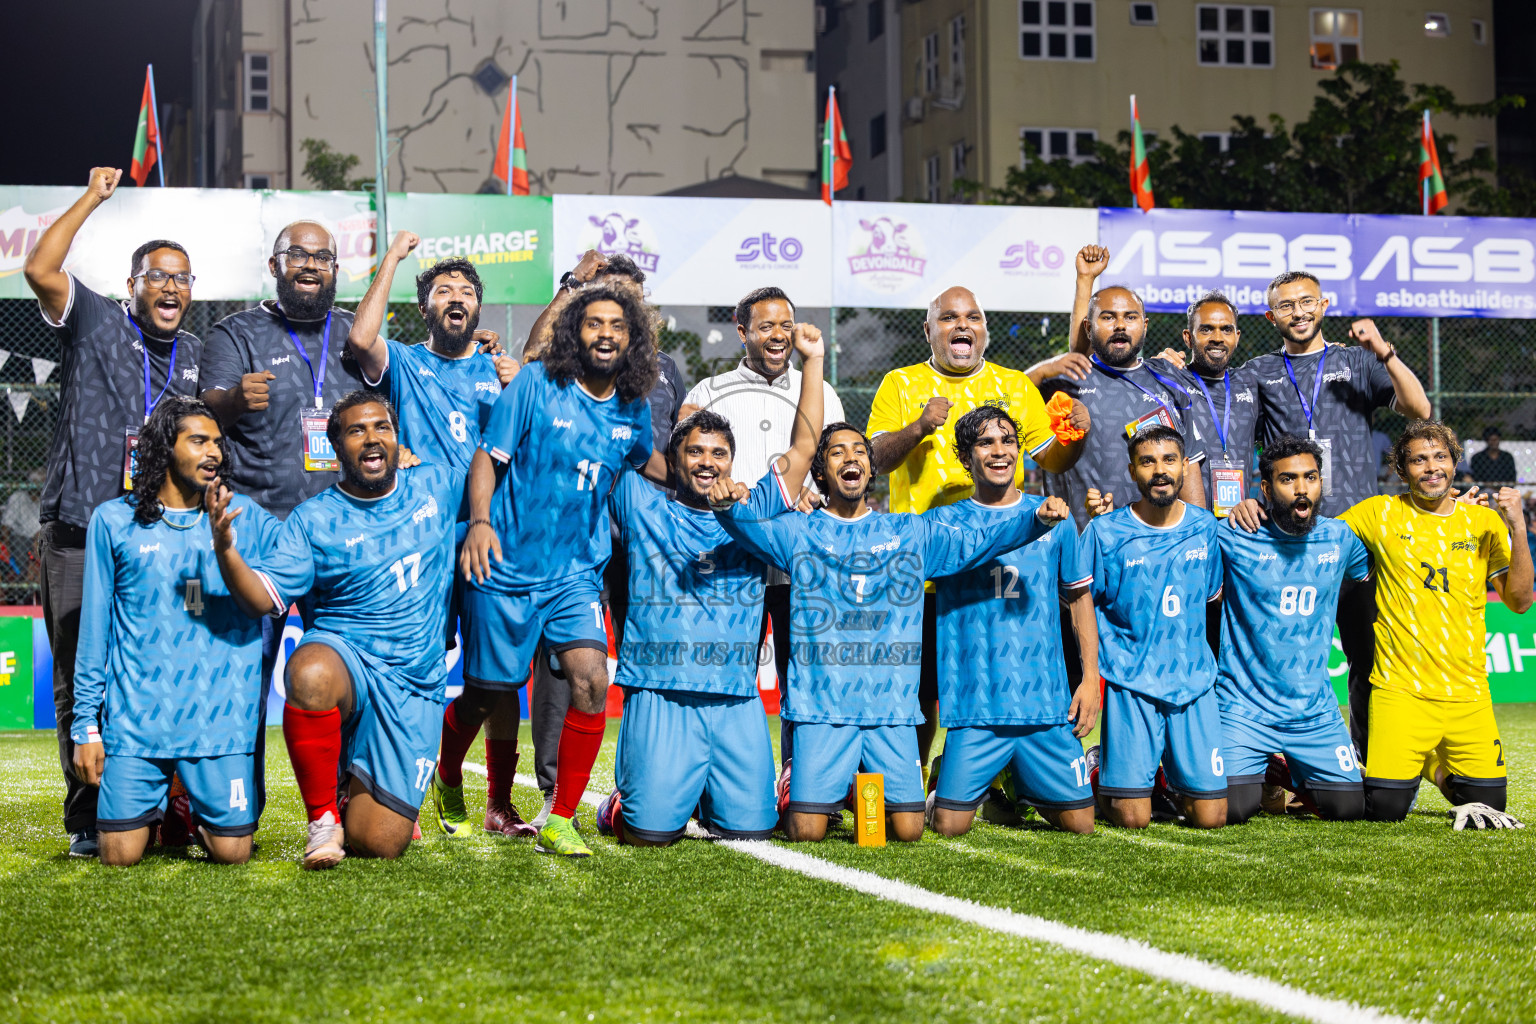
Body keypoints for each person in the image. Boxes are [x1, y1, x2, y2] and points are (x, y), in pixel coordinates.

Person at [710, 422, 1069, 844]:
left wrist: (1034, 524)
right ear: (822, 473)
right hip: (823, 708)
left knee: (908, 831)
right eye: (838, 453)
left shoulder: (907, 533)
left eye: (860, 452)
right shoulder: (799, 531)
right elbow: (750, 529)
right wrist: (727, 508)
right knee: (806, 832)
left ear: (870, 468)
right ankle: (805, 780)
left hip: (891, 711)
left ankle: (859, 786)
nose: (851, 459)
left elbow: (978, 541)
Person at [23, 166, 205, 858]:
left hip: (157, 539)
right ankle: (87, 820)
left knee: (165, 667)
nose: (170, 287)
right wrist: (94, 198)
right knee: (79, 677)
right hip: (76, 531)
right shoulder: (97, 319)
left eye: (182, 278)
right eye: (156, 275)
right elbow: (41, 267)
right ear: (132, 287)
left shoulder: (191, 353)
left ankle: (164, 811)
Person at [209, 392, 465, 867]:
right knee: (308, 673)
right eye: (356, 430)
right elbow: (261, 600)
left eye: (381, 428)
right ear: (335, 449)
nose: (371, 438)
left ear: (396, 438)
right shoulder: (313, 519)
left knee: (380, 844)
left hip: (414, 684)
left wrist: (485, 520)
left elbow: (500, 475)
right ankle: (323, 818)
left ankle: (354, 786)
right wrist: (226, 551)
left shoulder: (437, 484)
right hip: (348, 657)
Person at [1235, 421, 1532, 827]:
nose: (1431, 468)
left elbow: (1519, 601)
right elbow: (1315, 531)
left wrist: (1516, 525)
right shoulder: (1379, 513)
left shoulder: (1484, 523)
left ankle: (1430, 766)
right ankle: (1410, 762)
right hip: (1400, 693)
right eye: (1418, 460)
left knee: (1491, 808)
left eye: (1440, 457)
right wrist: (1254, 506)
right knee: (1383, 811)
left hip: (1469, 694)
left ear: (1454, 462)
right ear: (1401, 469)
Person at [595, 325, 826, 846]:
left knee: (752, 832)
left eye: (719, 453)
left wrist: (811, 360)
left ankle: (705, 790)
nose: (707, 462)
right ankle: (625, 802)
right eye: (695, 452)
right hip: (660, 694)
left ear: (733, 461)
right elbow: (608, 439)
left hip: (734, 699)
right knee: (647, 835)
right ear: (673, 461)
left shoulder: (753, 509)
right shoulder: (641, 503)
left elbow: (805, 446)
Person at [459, 283, 665, 858]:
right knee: (485, 692)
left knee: (591, 680)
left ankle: (560, 817)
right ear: (576, 331)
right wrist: (480, 523)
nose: (606, 334)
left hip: (576, 572)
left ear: (633, 338)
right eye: (595, 323)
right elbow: (486, 458)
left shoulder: (633, 404)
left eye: (618, 326)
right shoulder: (534, 385)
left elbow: (647, 460)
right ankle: (451, 773)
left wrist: (707, 475)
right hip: (506, 565)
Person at [344, 231, 527, 836]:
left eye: (467, 291)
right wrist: (393, 260)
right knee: (415, 666)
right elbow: (359, 340)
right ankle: (400, 794)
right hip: (417, 543)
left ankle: (498, 802)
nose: (457, 297)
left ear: (478, 309)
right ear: (424, 307)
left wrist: (516, 388)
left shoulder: (502, 372)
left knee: (497, 674)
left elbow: (526, 450)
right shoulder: (406, 361)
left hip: (487, 539)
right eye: (443, 290)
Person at [866, 285, 1090, 770]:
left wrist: (1076, 434)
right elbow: (875, 462)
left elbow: (1052, 457)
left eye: (972, 317)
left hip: (1005, 558)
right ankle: (912, 780)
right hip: (926, 570)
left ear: (985, 331)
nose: (961, 325)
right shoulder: (900, 384)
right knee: (921, 691)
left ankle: (998, 778)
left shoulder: (1014, 385)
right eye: (948, 317)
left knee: (1002, 676)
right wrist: (919, 427)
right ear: (928, 331)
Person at [70, 397, 278, 866]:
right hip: (137, 725)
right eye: (199, 441)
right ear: (165, 447)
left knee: (233, 854)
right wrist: (86, 725)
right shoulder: (113, 520)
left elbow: (304, 543)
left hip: (217, 728)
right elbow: (94, 631)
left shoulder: (243, 516)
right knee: (118, 856)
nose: (215, 454)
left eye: (218, 444)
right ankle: (166, 798)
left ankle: (186, 802)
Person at [523, 251, 685, 830]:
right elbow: (530, 359)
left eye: (629, 295)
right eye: (607, 294)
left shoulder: (664, 367)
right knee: (564, 665)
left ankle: (643, 779)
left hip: (645, 531)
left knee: (641, 652)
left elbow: (665, 449)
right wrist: (571, 284)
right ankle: (551, 790)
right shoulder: (565, 365)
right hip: (573, 533)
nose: (619, 305)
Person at [1245, 270, 1432, 761]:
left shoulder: (1357, 362)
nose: (1298, 312)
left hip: (1356, 539)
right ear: (1271, 316)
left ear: (1324, 305)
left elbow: (1420, 409)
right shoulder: (1258, 371)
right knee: (1277, 659)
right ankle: (1270, 767)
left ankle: (1368, 761)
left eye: (1307, 301)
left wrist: (1384, 350)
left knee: (1367, 657)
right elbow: (1232, 434)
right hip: (1289, 542)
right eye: (1286, 305)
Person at [682, 286, 847, 766]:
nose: (779, 335)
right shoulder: (711, 391)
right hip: (734, 563)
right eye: (766, 326)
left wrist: (823, 490)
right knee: (730, 672)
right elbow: (688, 455)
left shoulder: (821, 390)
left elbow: (835, 458)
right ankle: (722, 774)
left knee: (806, 674)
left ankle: (802, 777)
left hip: (801, 560)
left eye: (786, 325)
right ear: (742, 332)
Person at [925, 406, 1099, 837]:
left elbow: (1079, 599)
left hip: (1044, 705)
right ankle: (954, 780)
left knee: (1081, 827)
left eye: (1008, 441)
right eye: (986, 443)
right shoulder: (943, 521)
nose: (999, 451)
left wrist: (1090, 678)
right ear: (966, 459)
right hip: (976, 708)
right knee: (948, 826)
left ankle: (1015, 788)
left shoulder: (1056, 517)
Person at [1215, 435, 1370, 824]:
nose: (1302, 489)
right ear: (1266, 488)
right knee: (1232, 810)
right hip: (1243, 708)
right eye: (1288, 480)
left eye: (1311, 477)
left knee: (1348, 809)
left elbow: (1382, 563)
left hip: (1313, 713)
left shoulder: (1340, 538)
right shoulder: (1236, 535)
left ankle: (1284, 769)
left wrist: (1457, 509)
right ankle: (1265, 770)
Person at [1082, 426, 1226, 830]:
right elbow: (1080, 607)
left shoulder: (1205, 527)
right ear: (1132, 470)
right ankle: (1101, 773)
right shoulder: (1105, 532)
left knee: (1212, 818)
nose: (1159, 471)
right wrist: (1090, 677)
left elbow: (1211, 597)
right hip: (1133, 685)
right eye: (1148, 461)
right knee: (1132, 819)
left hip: (1193, 683)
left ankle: (1163, 772)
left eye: (1169, 460)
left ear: (1184, 467)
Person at [1043, 265, 1206, 531]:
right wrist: (1084, 280)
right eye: (1108, 317)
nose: (1120, 325)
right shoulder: (1063, 384)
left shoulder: (1170, 381)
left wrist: (1198, 537)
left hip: (1155, 543)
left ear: (1144, 325)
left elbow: (1191, 466)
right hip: (1079, 540)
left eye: (1130, 317)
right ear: (1088, 326)